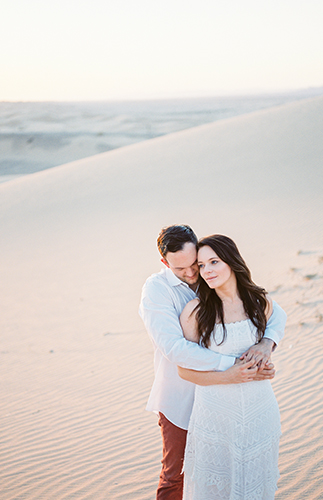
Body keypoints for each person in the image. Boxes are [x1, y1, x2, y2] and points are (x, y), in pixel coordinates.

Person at [139, 225, 286, 500]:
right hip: (181, 397)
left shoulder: (215, 280)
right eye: (181, 269)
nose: (193, 273)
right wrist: (236, 366)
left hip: (231, 400)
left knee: (237, 471)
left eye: (195, 263)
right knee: (178, 474)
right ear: (164, 263)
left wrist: (266, 345)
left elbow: (275, 314)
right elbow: (175, 349)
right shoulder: (157, 290)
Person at [178, 234, 282, 499]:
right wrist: (230, 376)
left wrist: (267, 357)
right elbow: (184, 370)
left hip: (260, 413)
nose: (207, 271)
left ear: (232, 262)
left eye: (214, 262)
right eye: (201, 266)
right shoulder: (196, 311)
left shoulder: (260, 303)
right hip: (216, 419)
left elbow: (265, 347)